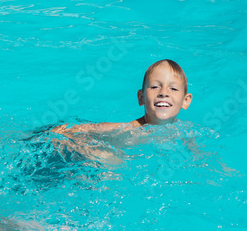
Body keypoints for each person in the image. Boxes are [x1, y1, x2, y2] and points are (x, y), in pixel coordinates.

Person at [50, 59, 193, 163]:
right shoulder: (127, 130)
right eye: (155, 87)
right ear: (141, 97)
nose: (163, 93)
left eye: (173, 88)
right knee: (112, 160)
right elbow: (72, 131)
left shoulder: (187, 133)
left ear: (185, 101)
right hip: (73, 156)